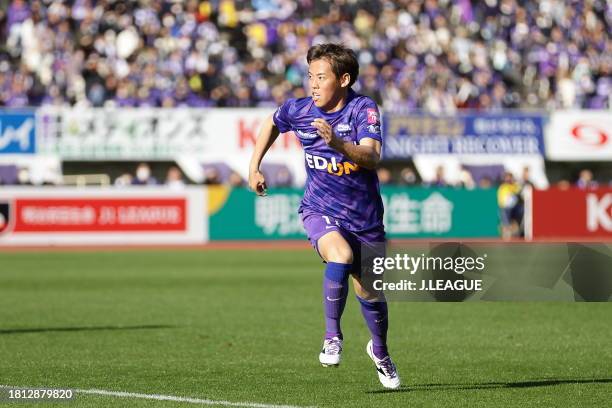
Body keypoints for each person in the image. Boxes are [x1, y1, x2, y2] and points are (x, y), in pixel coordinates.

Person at [248, 43, 400, 389]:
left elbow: (373, 157)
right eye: (310, 77)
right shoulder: (299, 110)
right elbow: (272, 123)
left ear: (344, 79)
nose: (313, 85)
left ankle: (380, 351)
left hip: (365, 219)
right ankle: (332, 336)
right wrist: (253, 167)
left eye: (321, 77)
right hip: (319, 208)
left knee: (371, 293)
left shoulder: (364, 109)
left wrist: (339, 145)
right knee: (340, 255)